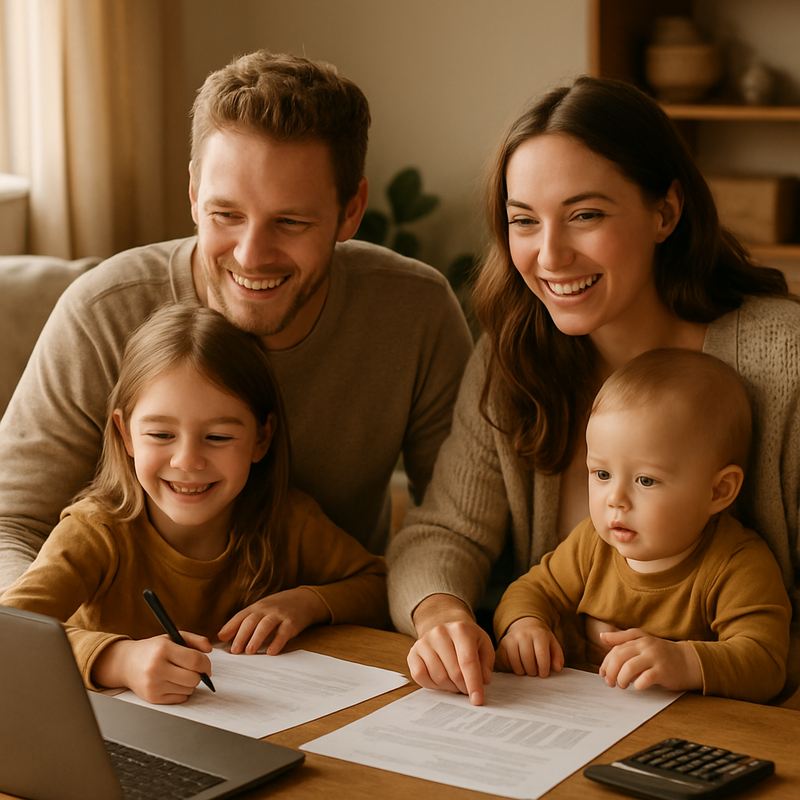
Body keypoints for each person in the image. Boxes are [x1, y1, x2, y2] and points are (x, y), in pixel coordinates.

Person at [387, 75, 800, 707]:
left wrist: (702, 668)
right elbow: (444, 532)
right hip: (560, 716)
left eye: (585, 215)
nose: (550, 255)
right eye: (524, 221)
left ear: (665, 213)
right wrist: (442, 615)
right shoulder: (511, 356)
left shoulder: (785, 360)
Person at [0, 50, 473, 590]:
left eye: (290, 222)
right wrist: (73, 637)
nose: (251, 256)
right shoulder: (102, 314)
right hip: (128, 638)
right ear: (194, 194)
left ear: (351, 210)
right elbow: (10, 522)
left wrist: (434, 607)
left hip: (333, 630)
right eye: (226, 214)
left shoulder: (415, 313)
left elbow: (453, 525)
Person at [1, 305, 389, 704]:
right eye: (161, 434)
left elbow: (376, 586)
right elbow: (9, 629)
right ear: (126, 434)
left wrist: (305, 603)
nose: (187, 461)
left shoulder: (288, 520)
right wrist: (118, 660)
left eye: (218, 437)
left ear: (261, 439)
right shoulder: (94, 533)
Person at [494, 348, 791, 705]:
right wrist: (524, 625)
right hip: (584, 713)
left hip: (686, 730)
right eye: (602, 474)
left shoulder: (737, 564)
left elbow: (766, 663)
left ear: (718, 491)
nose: (615, 499)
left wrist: (685, 661)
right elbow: (530, 590)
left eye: (645, 480)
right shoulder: (592, 544)